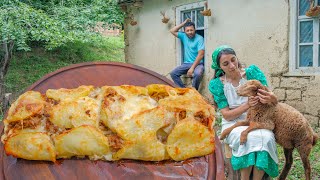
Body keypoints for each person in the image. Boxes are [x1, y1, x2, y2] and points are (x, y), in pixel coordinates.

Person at [208, 45, 279, 179]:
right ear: (219, 67)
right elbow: (227, 115)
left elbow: (270, 96)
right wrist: (247, 105)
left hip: (257, 120)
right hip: (233, 122)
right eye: (226, 64)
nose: (232, 66)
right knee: (249, 140)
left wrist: (271, 97)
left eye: (233, 60)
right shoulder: (217, 84)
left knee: (266, 139)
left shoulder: (252, 73)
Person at [169, 18, 205, 90]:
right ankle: (184, 90)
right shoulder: (183, 36)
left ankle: (194, 91)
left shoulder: (200, 38)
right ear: (184, 31)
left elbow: (201, 54)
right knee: (173, 73)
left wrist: (192, 68)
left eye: (191, 30)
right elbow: (172, 30)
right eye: (187, 30)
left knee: (197, 74)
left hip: (198, 63)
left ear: (195, 30)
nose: (189, 32)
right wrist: (184, 23)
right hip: (186, 64)